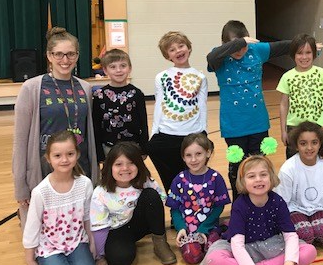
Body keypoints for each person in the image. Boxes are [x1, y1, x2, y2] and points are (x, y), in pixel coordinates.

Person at [194, 156, 317, 265]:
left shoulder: (278, 201)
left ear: (271, 177)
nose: (258, 179)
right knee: (213, 259)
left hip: (273, 246)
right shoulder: (240, 205)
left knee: (310, 251)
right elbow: (237, 245)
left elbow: (290, 236)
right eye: (251, 176)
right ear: (243, 181)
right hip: (245, 248)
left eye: (263, 174)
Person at [13, 27, 98, 227]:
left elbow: (89, 132)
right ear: (49, 56)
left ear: (77, 55)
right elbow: (20, 141)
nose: (65, 60)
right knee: (48, 230)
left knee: (76, 227)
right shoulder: (32, 88)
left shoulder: (85, 88)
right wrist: (21, 187)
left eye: (70, 54)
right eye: (58, 54)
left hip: (79, 166)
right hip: (45, 169)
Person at [207, 20, 290, 199]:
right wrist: (238, 43)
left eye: (243, 47)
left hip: (258, 123)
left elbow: (284, 46)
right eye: (235, 47)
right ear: (225, 45)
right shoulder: (220, 57)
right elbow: (210, 58)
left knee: (259, 167)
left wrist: (307, 43)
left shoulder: (256, 50)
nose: (239, 51)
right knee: (238, 167)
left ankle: (261, 201)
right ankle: (240, 204)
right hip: (233, 126)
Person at [22, 131, 96, 265]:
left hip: (76, 242)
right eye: (57, 155)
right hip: (50, 246)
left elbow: (87, 217)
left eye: (70, 154)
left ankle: (69, 263)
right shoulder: (41, 192)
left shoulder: (85, 184)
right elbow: (32, 226)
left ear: (77, 155)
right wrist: (29, 258)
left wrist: (92, 243)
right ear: (48, 158)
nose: (64, 160)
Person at [91, 142, 177, 265]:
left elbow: (162, 201)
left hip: (140, 224)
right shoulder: (100, 193)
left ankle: (160, 243)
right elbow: (99, 227)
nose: (125, 168)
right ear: (109, 167)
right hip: (118, 230)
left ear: (139, 165)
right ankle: (126, 245)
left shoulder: (145, 181)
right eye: (118, 164)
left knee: (151, 195)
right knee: (119, 262)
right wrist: (100, 257)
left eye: (131, 163)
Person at [149, 31, 208, 192]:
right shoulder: (161, 77)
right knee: (174, 181)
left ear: (188, 48)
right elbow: (159, 104)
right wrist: (155, 132)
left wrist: (204, 131)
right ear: (168, 56)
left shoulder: (200, 77)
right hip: (167, 133)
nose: (178, 51)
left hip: (192, 134)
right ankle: (177, 209)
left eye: (181, 46)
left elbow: (202, 105)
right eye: (172, 49)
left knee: (193, 177)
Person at [166, 133, 231, 264]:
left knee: (214, 252)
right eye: (188, 155)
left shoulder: (216, 178)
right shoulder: (179, 180)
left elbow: (219, 207)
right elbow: (175, 209)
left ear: (208, 153)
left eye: (198, 154)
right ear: (183, 157)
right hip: (187, 230)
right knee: (192, 257)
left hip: (209, 226)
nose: (193, 159)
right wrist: (181, 228)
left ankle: (221, 231)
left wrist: (204, 228)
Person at [274, 122, 323, 246]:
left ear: (320, 143)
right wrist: (284, 231)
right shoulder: (288, 168)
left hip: (317, 209)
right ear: (296, 146)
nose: (309, 148)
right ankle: (305, 232)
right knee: (305, 235)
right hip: (295, 210)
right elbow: (282, 203)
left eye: (314, 142)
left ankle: (313, 229)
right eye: (303, 143)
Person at [277, 33, 323, 158]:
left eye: (308, 52)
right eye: (299, 53)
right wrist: (283, 131)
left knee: (318, 160)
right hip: (294, 128)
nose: (304, 57)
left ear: (314, 53)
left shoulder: (322, 73)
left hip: (318, 126)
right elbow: (283, 104)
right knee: (294, 161)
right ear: (293, 55)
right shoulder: (287, 76)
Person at [92, 49, 149, 162]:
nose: (118, 70)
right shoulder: (99, 95)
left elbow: (143, 124)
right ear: (105, 70)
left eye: (123, 66)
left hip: (133, 147)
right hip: (108, 148)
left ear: (130, 68)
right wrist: (99, 152)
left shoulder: (137, 93)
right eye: (112, 67)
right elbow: (96, 126)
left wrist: (144, 149)